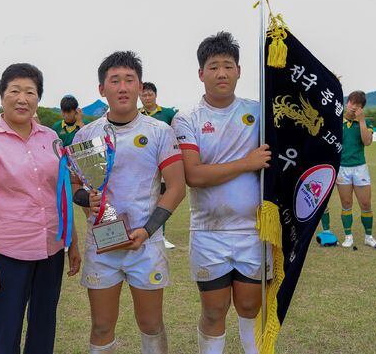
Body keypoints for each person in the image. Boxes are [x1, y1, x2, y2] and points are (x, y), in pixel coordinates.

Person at [72, 51, 186, 354]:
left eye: (129, 80)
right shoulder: (86, 135)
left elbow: (176, 188)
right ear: (102, 89)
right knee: (101, 326)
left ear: (139, 86)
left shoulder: (160, 131)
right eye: (114, 81)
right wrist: (87, 199)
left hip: (145, 245)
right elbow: (75, 186)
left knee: (151, 324)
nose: (122, 87)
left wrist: (147, 231)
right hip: (102, 245)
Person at [0, 63, 81, 354]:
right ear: (2, 95)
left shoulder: (51, 139)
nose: (22, 99)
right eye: (14, 91)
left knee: (44, 327)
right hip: (8, 253)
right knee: (7, 332)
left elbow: (61, 194)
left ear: (38, 98)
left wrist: (72, 243)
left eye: (30, 92)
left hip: (51, 249)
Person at [172, 32, 271, 354]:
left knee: (250, 306)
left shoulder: (259, 112)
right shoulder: (187, 118)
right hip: (209, 232)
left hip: (253, 231)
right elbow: (194, 175)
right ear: (201, 73)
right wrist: (246, 163)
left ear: (239, 71)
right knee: (214, 311)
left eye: (228, 66)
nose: (222, 73)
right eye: (214, 67)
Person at [334, 91, 376, 247]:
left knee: (365, 204)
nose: (353, 107)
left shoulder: (366, 122)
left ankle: (368, 236)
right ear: (347, 103)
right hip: (342, 168)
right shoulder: (336, 120)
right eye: (352, 103)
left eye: (358, 105)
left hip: (360, 168)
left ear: (362, 108)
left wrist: (362, 121)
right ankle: (348, 236)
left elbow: (367, 142)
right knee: (346, 203)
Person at [139, 81, 178, 249]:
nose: (147, 98)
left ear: (155, 95)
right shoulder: (136, 114)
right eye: (144, 95)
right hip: (144, 165)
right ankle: (143, 233)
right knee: (145, 200)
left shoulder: (168, 114)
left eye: (150, 94)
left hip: (164, 163)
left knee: (162, 200)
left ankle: (161, 236)